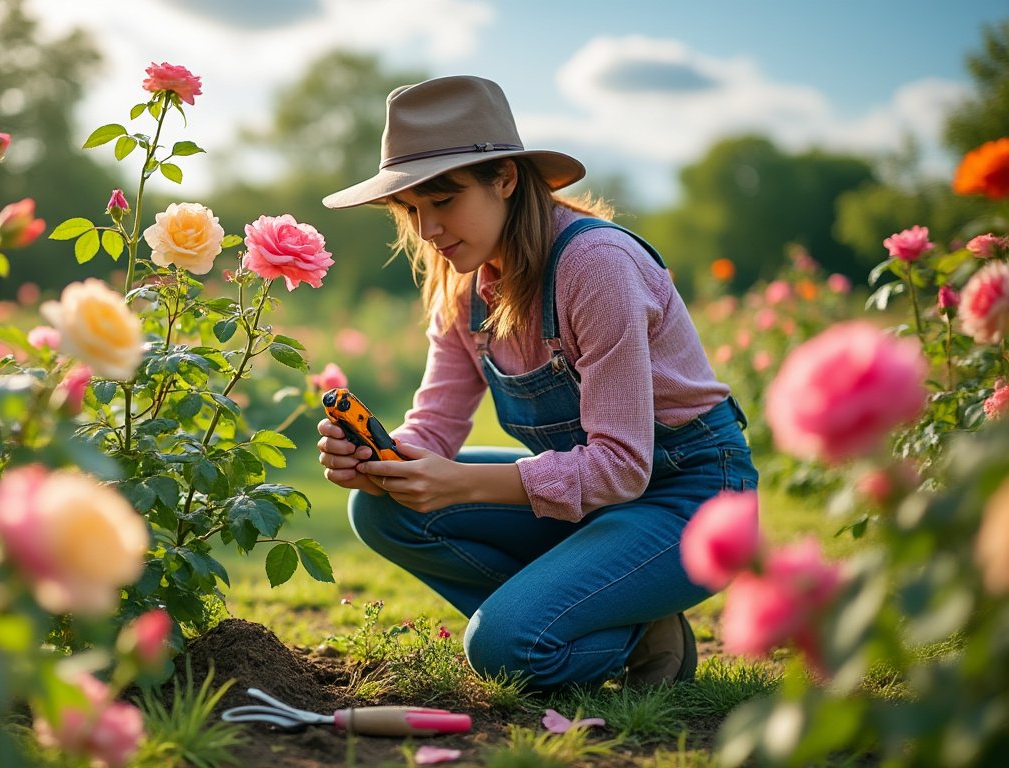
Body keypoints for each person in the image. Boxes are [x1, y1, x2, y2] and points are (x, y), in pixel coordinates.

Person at [316, 75, 758, 690]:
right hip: (590, 505)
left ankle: (627, 617)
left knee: (502, 649)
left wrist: (461, 483)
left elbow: (624, 466)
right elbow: (436, 424)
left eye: (442, 201)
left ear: (505, 178)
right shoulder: (463, 282)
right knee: (381, 509)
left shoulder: (594, 265)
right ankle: (595, 607)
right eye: (411, 210)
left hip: (689, 495)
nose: (427, 230)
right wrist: (382, 459)